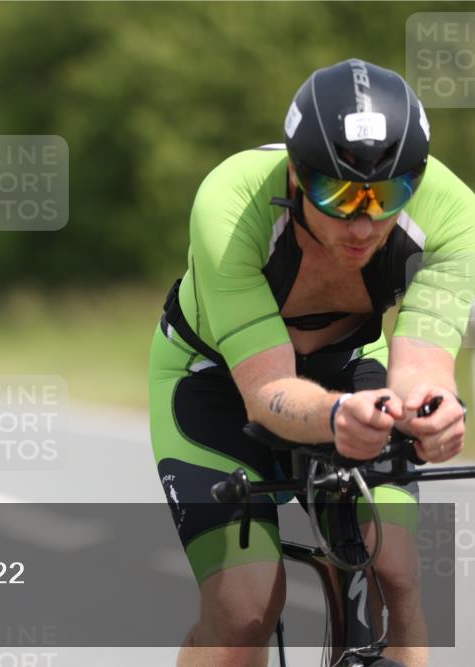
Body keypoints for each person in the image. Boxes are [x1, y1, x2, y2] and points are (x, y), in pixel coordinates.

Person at [149, 59, 475, 667]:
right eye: (339, 193)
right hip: (215, 378)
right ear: (298, 176)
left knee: (397, 576)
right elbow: (267, 388)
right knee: (243, 612)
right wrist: (336, 418)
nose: (363, 221)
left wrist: (435, 410)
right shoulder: (233, 200)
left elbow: (425, 362)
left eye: (387, 195)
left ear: (418, 179)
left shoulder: (454, 215)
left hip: (351, 363)